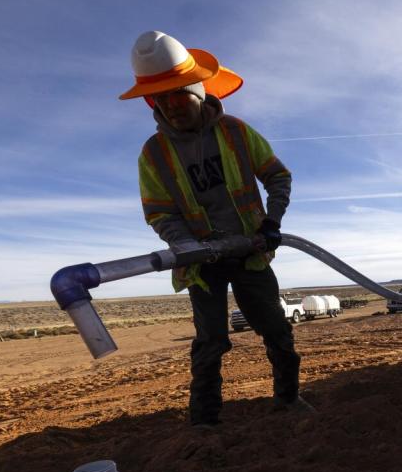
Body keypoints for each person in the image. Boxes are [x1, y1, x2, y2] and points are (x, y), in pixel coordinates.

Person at [119, 31, 314, 425]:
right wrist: (187, 245)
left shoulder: (236, 133)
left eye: (177, 93)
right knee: (210, 341)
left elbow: (277, 177)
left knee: (276, 329)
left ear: (197, 90)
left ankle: (288, 400)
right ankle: (204, 420)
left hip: (249, 252)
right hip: (201, 263)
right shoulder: (153, 154)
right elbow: (160, 212)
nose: (171, 105)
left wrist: (272, 222)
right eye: (161, 97)